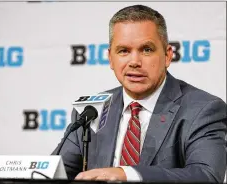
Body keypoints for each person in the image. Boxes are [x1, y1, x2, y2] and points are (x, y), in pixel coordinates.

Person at [52, 4, 227, 182]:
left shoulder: (203, 109)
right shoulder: (91, 110)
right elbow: (55, 173)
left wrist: (127, 174)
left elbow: (207, 176)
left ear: (167, 56)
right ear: (110, 58)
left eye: (146, 49)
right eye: (124, 51)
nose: (134, 61)